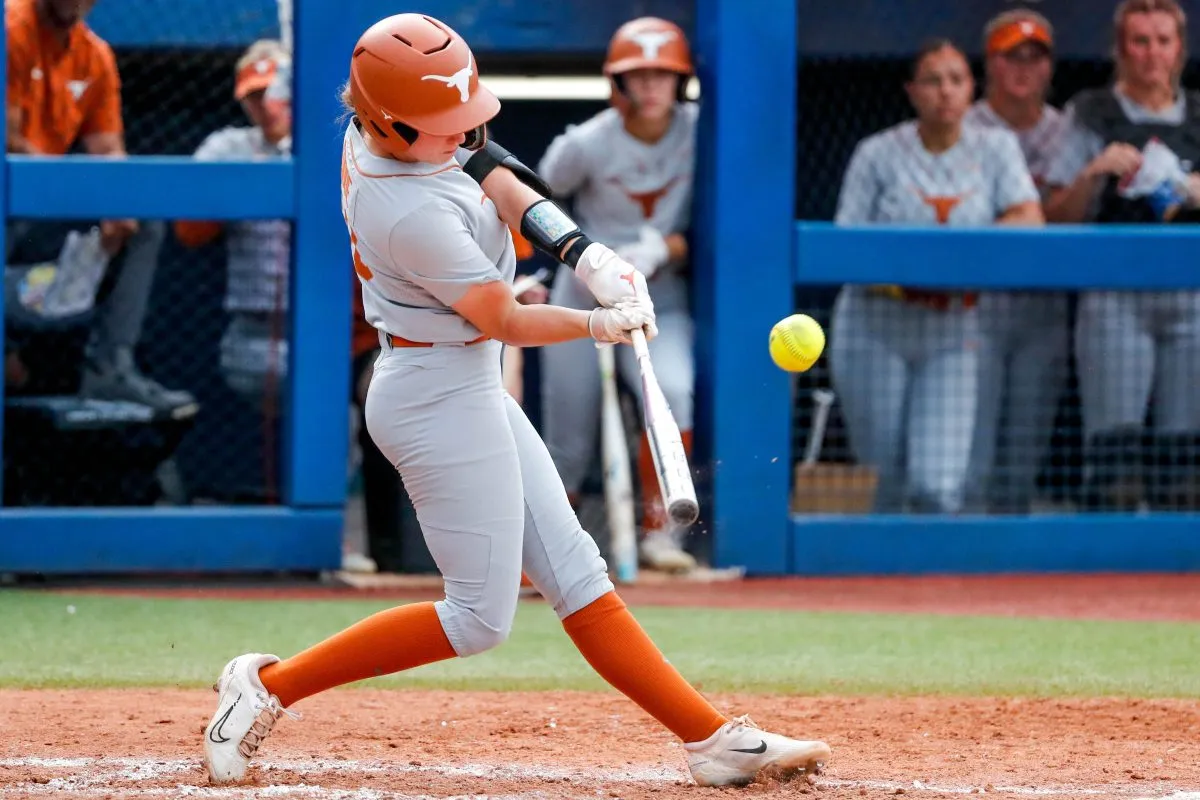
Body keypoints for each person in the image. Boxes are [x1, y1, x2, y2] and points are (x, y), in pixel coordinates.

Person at [200, 13, 831, 788]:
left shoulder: (393, 127)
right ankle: (263, 690)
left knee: (577, 575)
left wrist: (585, 253)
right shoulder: (406, 211)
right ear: (387, 124)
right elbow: (504, 318)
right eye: (441, 125)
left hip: (458, 378)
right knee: (477, 619)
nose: (460, 133)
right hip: (434, 396)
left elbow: (490, 166)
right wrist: (597, 319)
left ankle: (710, 740)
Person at [828, 38, 1043, 514]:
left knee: (937, 485)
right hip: (878, 323)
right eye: (932, 80)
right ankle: (874, 587)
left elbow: (1029, 217)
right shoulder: (877, 153)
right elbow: (845, 246)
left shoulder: (995, 146)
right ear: (911, 90)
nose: (945, 91)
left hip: (954, 327)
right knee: (883, 478)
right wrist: (913, 277)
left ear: (971, 89)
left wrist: (958, 263)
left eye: (956, 79)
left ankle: (934, 590)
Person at [538, 17, 699, 573]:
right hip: (586, 290)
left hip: (661, 291)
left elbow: (715, 228)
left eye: (663, 74)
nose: (652, 86)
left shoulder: (702, 131)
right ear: (618, 82)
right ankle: (553, 553)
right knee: (570, 435)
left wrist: (666, 249)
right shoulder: (585, 142)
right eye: (639, 75)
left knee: (674, 391)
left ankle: (662, 535)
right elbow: (533, 206)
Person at [1044, 0, 1200, 511]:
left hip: (1191, 298)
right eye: (1140, 41)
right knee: (1114, 461)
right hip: (1114, 298)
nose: (1152, 54)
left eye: (1162, 41)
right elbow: (1055, 216)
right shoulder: (1090, 112)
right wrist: (1093, 172)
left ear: (1180, 48)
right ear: (1119, 49)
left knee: (1184, 463)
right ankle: (1102, 578)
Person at [5, 0, 195, 412]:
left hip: (46, 207)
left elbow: (108, 149)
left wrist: (116, 202)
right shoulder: (11, 28)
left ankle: (110, 367)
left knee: (140, 222)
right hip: (12, 198)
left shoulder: (95, 55)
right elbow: (10, 137)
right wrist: (77, 193)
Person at [173, 40, 292, 503]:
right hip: (250, 329)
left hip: (322, 330)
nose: (265, 105)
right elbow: (188, 227)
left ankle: (333, 534)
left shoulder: (330, 142)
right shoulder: (230, 146)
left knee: (334, 420)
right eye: (254, 95)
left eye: (274, 92)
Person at [963, 10, 1070, 513]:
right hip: (977, 305)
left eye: (1035, 57)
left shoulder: (1069, 130)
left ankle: (1012, 581)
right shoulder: (966, 127)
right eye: (1012, 57)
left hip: (1042, 305)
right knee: (971, 450)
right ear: (991, 64)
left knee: (1022, 456)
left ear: (1049, 67)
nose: (1024, 68)